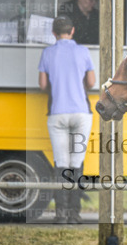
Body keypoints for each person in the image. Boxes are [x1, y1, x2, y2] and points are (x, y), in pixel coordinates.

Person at [38, 15, 96, 223]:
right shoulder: (83, 51)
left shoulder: (47, 53)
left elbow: (43, 85)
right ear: (72, 31)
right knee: (77, 162)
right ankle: (75, 214)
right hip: (81, 113)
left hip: (57, 113)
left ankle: (60, 214)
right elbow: (91, 81)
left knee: (61, 164)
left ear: (53, 33)